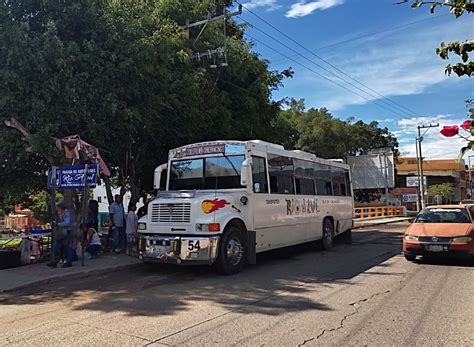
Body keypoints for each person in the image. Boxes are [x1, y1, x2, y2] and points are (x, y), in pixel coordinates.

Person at [48, 201, 75, 268]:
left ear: (61, 207)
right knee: (56, 246)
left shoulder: (67, 213)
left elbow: (67, 222)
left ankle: (68, 261)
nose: (57, 208)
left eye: (58, 207)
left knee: (66, 247)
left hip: (67, 232)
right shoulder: (59, 213)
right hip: (60, 232)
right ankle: (55, 261)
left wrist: (58, 224)